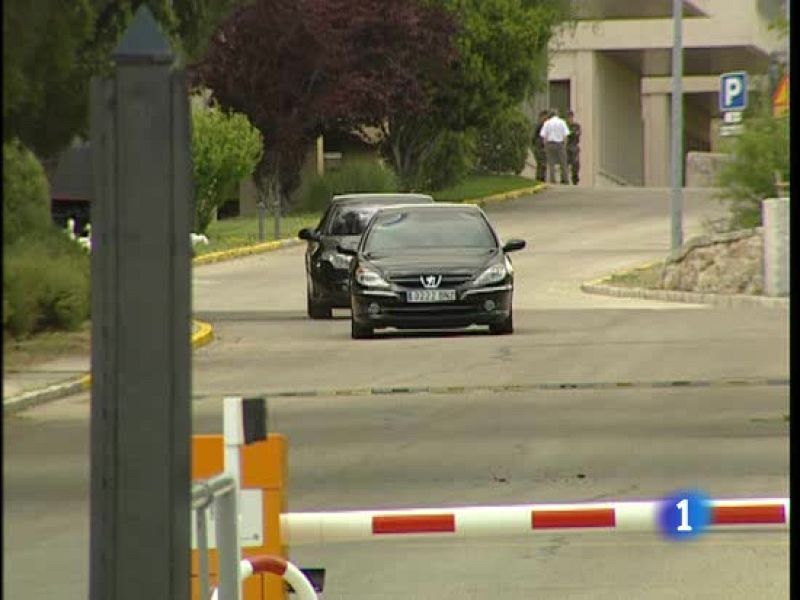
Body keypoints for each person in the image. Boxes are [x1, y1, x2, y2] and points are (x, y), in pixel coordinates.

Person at [539, 109, 570, 184]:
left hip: (550, 144)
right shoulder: (562, 122)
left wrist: (545, 146)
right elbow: (565, 135)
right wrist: (564, 145)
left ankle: (553, 180)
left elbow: (544, 136)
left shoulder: (547, 123)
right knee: (563, 163)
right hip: (560, 144)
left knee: (551, 163)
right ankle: (565, 179)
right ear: (557, 114)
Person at [532, 110, 549, 182]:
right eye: (545, 118)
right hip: (539, 147)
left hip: (543, 147)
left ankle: (541, 178)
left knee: (542, 164)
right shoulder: (540, 125)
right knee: (541, 163)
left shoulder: (544, 125)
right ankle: (540, 178)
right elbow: (534, 137)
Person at [566, 110, 581, 185]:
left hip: (574, 146)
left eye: (571, 117)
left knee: (575, 164)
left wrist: (571, 133)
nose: (570, 119)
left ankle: (575, 179)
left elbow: (577, 134)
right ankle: (565, 180)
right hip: (567, 146)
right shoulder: (565, 126)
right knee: (565, 163)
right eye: (568, 117)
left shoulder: (576, 125)